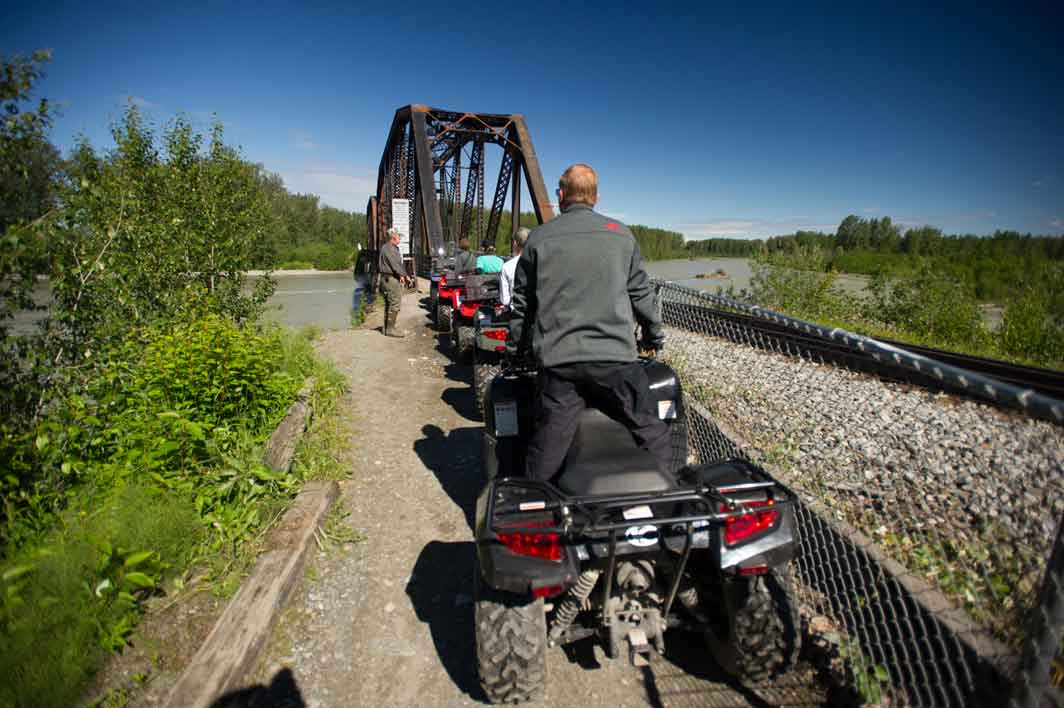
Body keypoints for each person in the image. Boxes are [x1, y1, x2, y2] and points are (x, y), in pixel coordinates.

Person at [507, 163, 669, 483]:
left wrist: (516, 351)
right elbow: (641, 294)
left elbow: (523, 306)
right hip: (615, 362)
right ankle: (667, 499)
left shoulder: (539, 238)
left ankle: (535, 506)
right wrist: (654, 335)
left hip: (559, 362)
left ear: (561, 195)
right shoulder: (621, 235)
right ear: (595, 197)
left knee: (548, 443)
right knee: (652, 431)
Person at [378, 227, 412, 337]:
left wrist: (401, 275)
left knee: (390, 303)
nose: (400, 238)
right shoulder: (389, 249)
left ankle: (387, 327)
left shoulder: (390, 248)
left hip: (389, 278)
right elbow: (395, 265)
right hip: (390, 280)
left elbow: (395, 265)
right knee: (395, 304)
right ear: (393, 237)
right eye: (398, 236)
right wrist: (405, 275)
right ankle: (390, 329)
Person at [499, 227, 529, 306]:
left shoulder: (507, 266)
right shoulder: (538, 262)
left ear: (515, 243)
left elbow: (505, 300)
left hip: (516, 311)